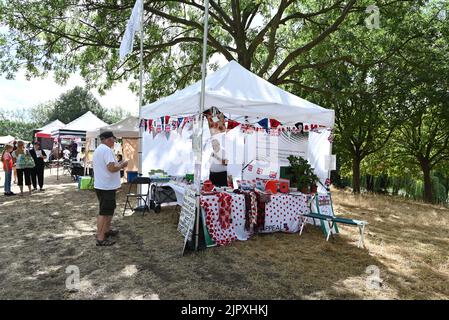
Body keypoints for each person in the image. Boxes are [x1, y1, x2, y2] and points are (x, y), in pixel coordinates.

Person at [92, 131, 128, 246]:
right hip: (106, 187)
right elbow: (111, 168)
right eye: (113, 139)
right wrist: (122, 165)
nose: (115, 141)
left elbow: (109, 167)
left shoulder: (99, 149)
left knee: (109, 210)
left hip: (103, 185)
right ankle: (101, 238)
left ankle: (106, 230)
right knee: (104, 211)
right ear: (108, 139)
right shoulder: (106, 150)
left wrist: (119, 164)